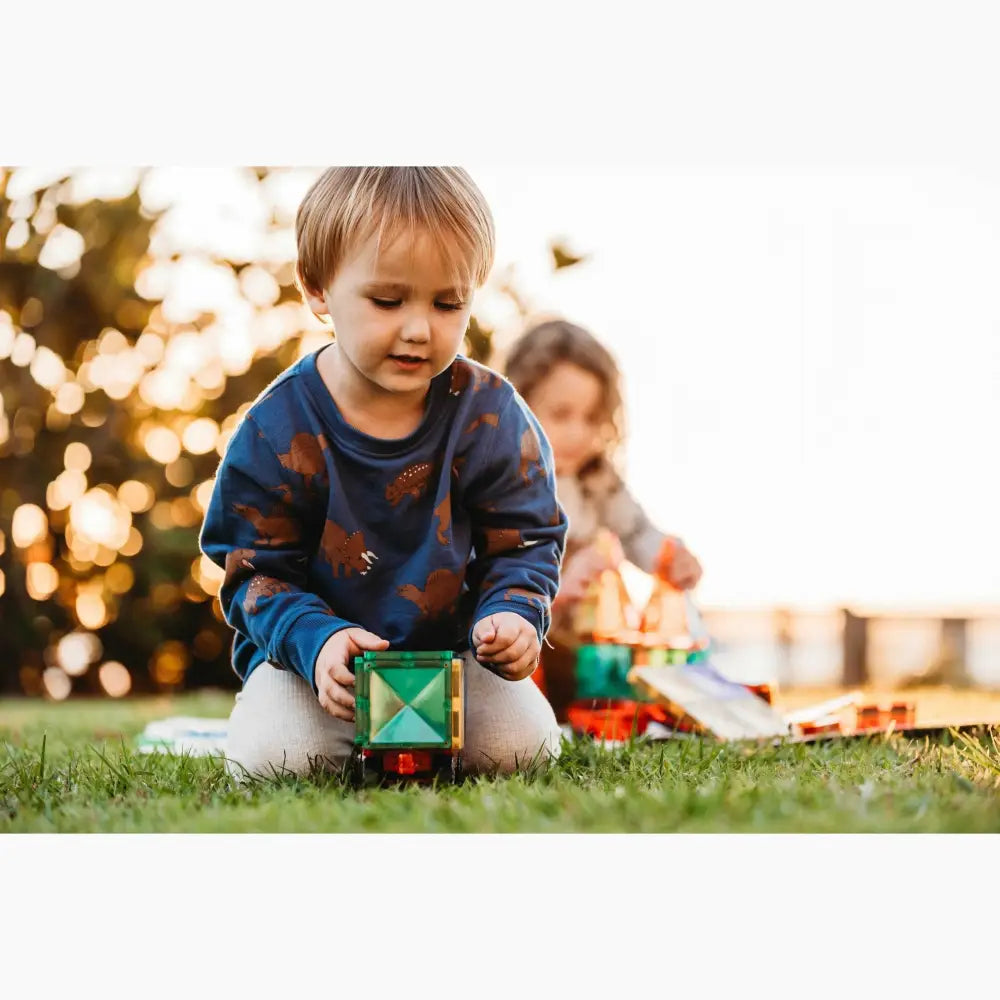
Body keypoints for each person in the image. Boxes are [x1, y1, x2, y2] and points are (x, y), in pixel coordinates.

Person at [200, 168, 567, 779]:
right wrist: (314, 642)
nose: (419, 328)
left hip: (452, 662)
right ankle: (288, 720)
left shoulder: (492, 416)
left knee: (527, 750)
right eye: (388, 301)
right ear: (318, 290)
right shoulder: (275, 429)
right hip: (317, 670)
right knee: (271, 760)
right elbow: (251, 573)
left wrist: (513, 614)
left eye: (448, 303)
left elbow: (526, 540)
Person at [503, 319, 703, 719]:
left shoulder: (597, 480)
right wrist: (554, 589)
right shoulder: (503, 479)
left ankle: (587, 706)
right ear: (517, 404)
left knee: (615, 682)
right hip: (518, 641)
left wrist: (669, 556)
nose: (579, 433)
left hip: (583, 648)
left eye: (592, 418)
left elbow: (636, 532)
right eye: (562, 414)